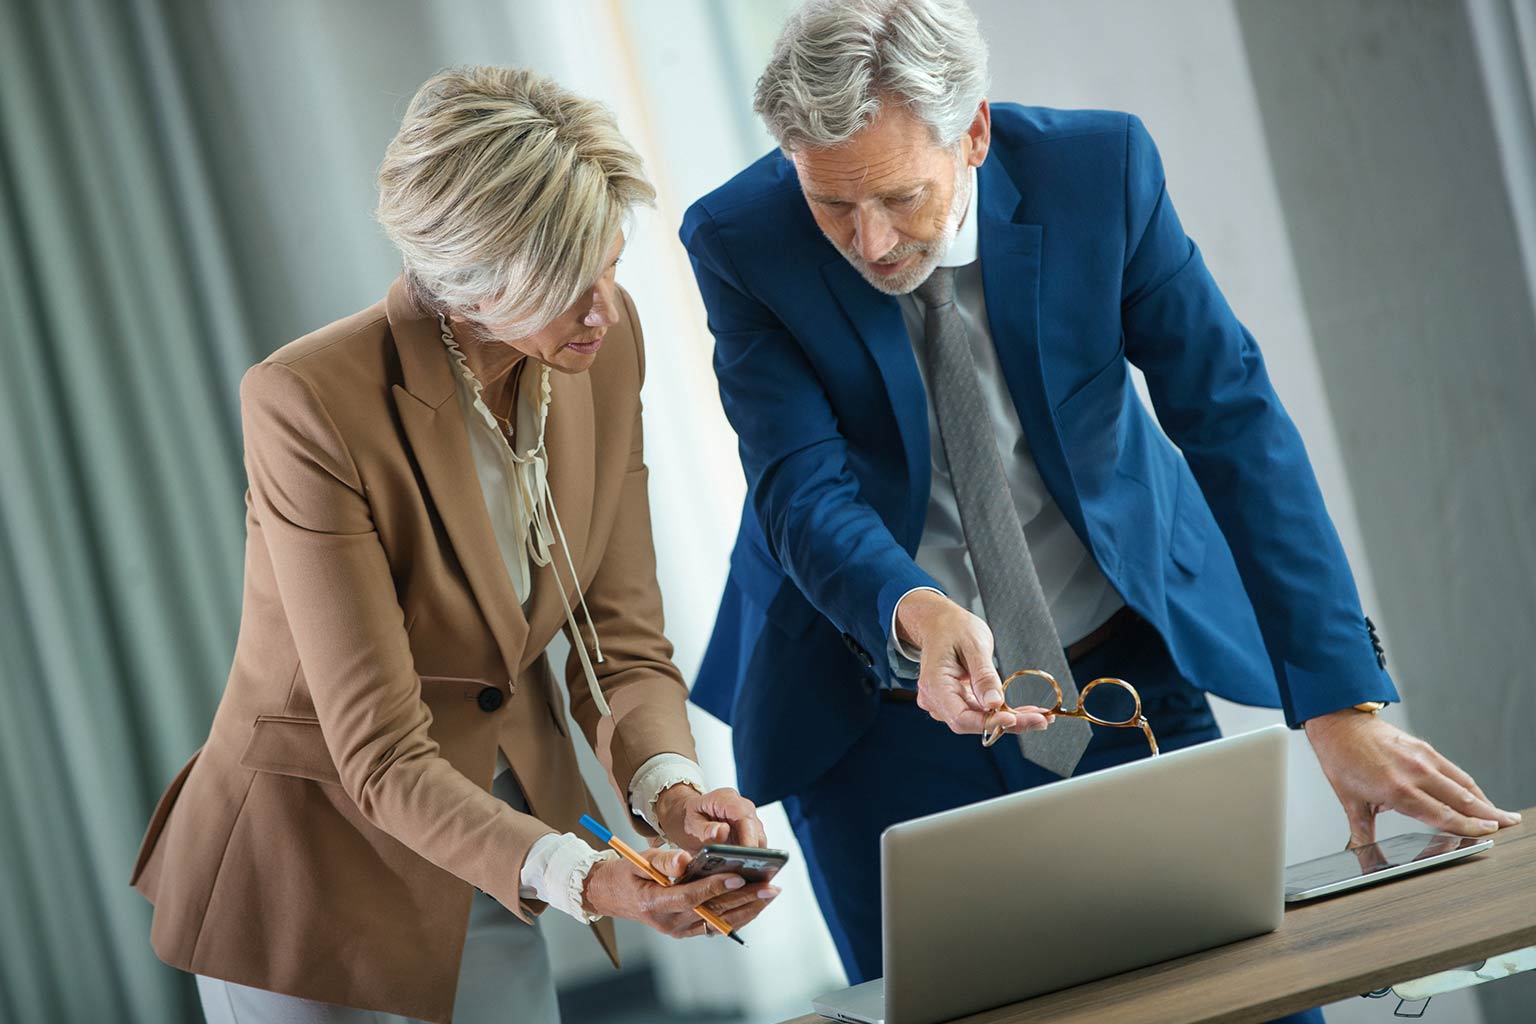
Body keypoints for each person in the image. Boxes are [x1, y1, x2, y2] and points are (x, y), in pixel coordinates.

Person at [680, 1, 1519, 1018]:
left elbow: (1234, 421)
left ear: (974, 133)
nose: (869, 241)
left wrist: (1339, 702)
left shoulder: (1099, 173)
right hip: (870, 715)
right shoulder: (738, 238)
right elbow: (798, 488)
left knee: (1244, 994)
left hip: (1117, 671)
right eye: (830, 205)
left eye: (901, 198)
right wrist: (914, 607)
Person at [129, 66, 776, 1024]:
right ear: (465, 282)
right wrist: (597, 880)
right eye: (567, 285)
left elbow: (622, 640)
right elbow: (382, 754)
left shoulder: (601, 343)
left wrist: (672, 792)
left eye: (609, 262)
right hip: (314, 873)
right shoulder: (308, 405)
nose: (602, 307)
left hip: (498, 838)